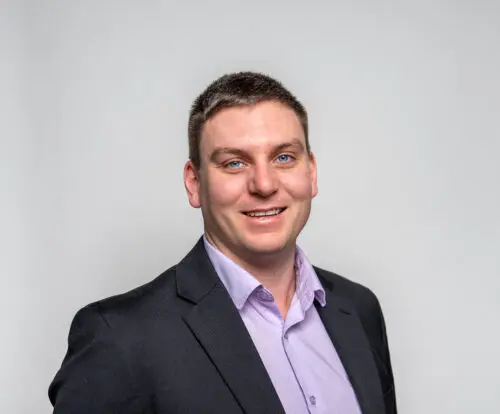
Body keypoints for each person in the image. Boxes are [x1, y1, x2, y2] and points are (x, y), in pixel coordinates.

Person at [49, 72, 397, 414]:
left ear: (311, 172)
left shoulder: (359, 309)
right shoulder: (119, 337)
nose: (264, 184)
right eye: (234, 163)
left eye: (284, 157)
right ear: (194, 183)